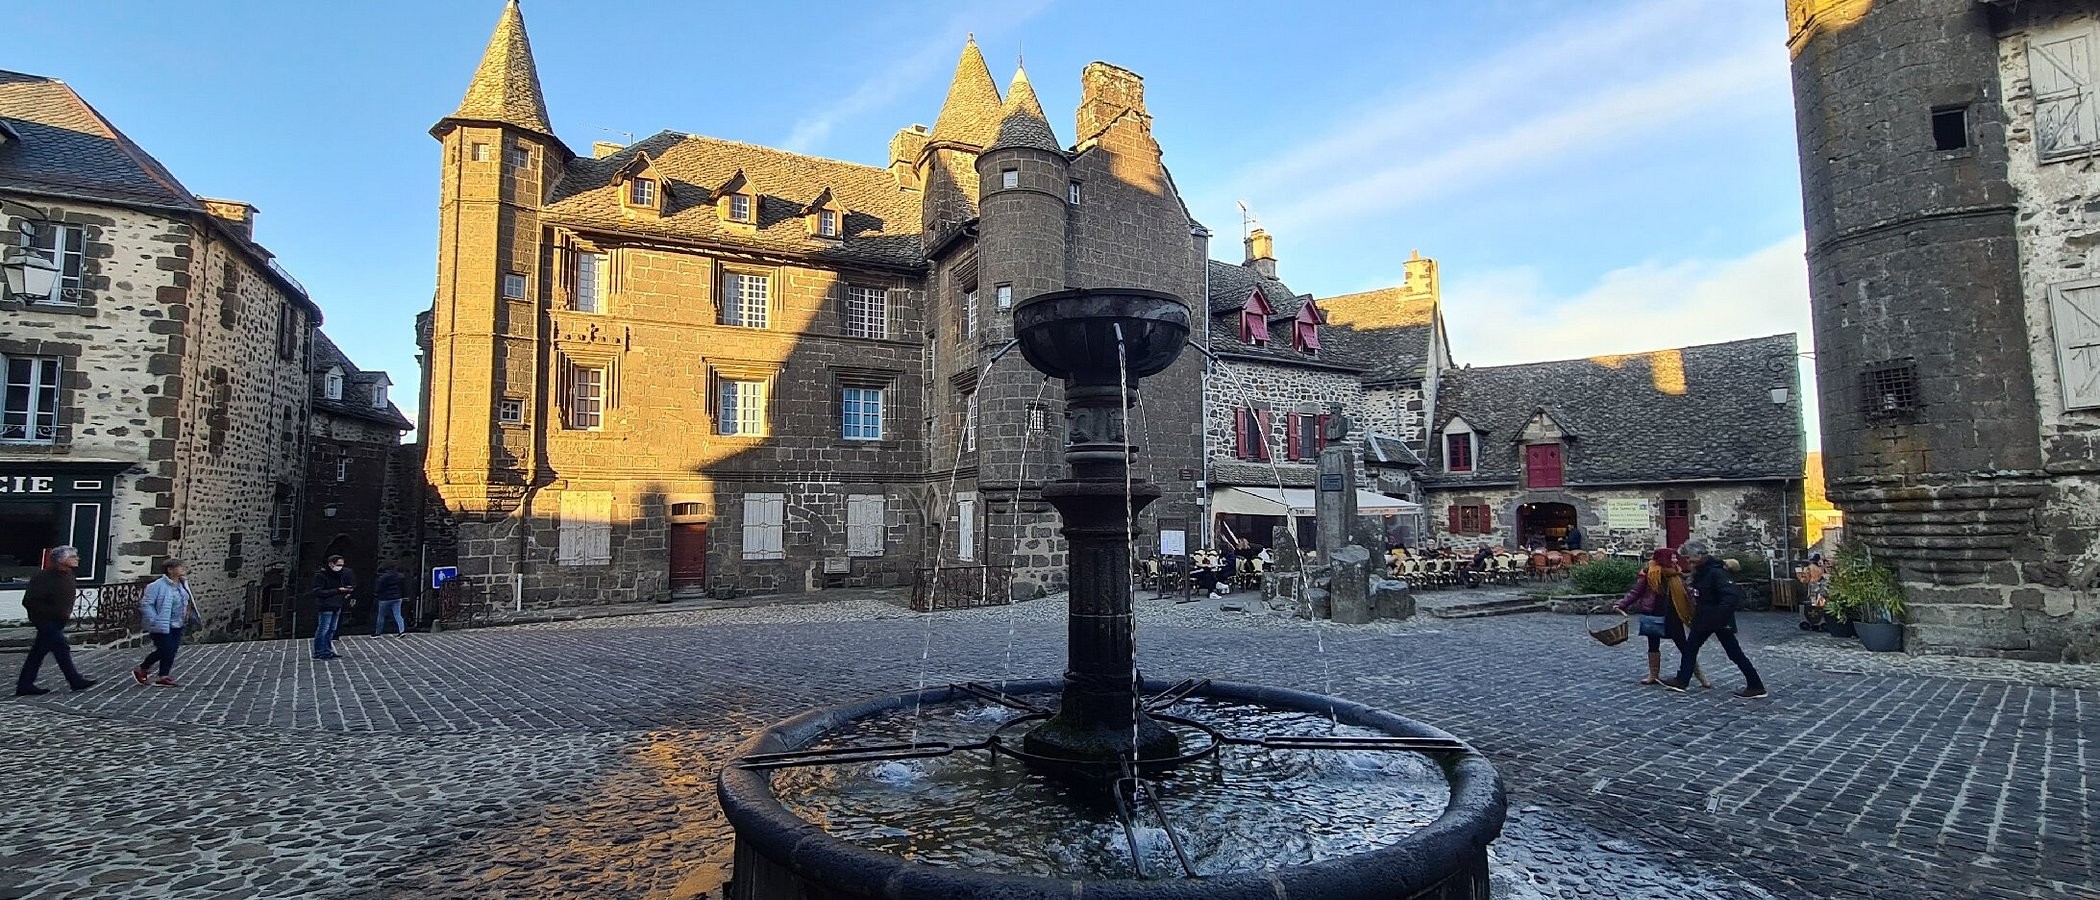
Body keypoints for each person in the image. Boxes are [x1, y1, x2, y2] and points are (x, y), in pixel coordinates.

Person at [1661, 540, 1767, 699]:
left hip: (1717, 620)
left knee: (1734, 653)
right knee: (1691, 648)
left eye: (1690, 558)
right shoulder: (1702, 572)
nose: (1688, 561)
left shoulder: (1717, 573)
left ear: (1700, 555)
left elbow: (1730, 597)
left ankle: (1756, 685)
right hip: (1705, 618)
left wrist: (1719, 618)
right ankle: (1682, 680)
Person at [1613, 549, 1708, 688]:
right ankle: (1653, 675)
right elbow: (1636, 591)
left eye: (1675, 557)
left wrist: (1697, 609)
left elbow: (1688, 593)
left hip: (1674, 614)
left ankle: (1700, 676)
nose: (1675, 560)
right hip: (1653, 613)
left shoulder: (1677, 573)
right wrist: (1622, 604)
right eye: (1672, 558)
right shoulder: (1649, 573)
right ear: (1663, 559)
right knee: (1653, 645)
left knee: (1684, 646)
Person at [15, 546, 97, 696]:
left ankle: (25, 685)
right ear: (61, 560)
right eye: (73, 556)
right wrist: (51, 613)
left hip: (59, 620)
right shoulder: (43, 577)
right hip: (45, 621)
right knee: (61, 647)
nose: (77, 559)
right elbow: (30, 601)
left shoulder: (69, 575)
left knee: (38, 652)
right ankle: (75, 680)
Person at [135, 558, 199, 687]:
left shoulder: (182, 584)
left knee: (172, 649)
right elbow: (146, 604)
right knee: (166, 649)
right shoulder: (156, 586)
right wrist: (154, 619)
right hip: (162, 623)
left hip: (178, 622)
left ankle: (163, 675)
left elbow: (185, 599)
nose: (182, 569)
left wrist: (187, 612)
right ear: (170, 570)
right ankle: (143, 668)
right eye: (179, 567)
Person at [310, 555, 354, 660]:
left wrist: (347, 591)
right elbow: (318, 591)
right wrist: (338, 590)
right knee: (323, 628)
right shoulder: (321, 575)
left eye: (342, 565)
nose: (340, 567)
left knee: (332, 629)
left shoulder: (340, 575)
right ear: (331, 564)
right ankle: (319, 651)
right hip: (326, 605)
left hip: (337, 605)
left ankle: (327, 650)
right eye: (338, 565)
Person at [373, 564, 409, 637]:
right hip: (397, 598)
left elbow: (379, 588)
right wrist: (404, 595)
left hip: (385, 598)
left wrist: (376, 594)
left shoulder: (382, 577)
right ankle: (401, 631)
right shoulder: (400, 576)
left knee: (381, 616)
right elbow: (404, 587)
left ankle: (378, 632)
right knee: (398, 614)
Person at [1796, 553, 1829, 631]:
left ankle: (1814, 622)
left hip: (1814, 586)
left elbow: (1804, 579)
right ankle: (1819, 621)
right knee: (1820, 603)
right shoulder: (1821, 567)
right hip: (1821, 586)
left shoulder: (1809, 568)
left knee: (1814, 603)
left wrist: (1799, 574)